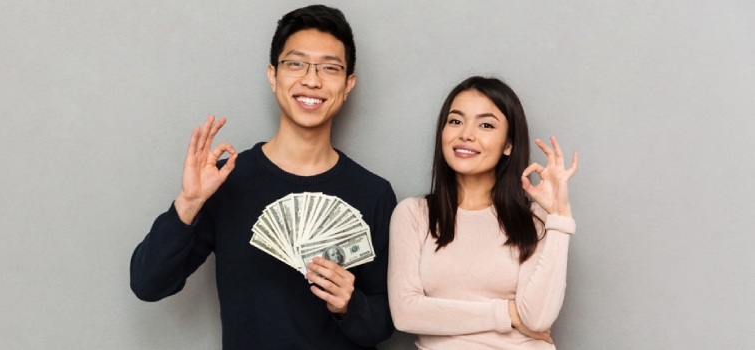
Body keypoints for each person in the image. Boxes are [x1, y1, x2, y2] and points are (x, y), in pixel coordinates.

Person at [130, 5, 396, 349]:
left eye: (330, 68)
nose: (312, 80)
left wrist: (350, 305)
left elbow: (385, 325)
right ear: (273, 76)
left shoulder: (373, 194)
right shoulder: (229, 182)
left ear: (348, 85)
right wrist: (188, 204)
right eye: (296, 63)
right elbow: (147, 284)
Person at [387, 76, 578, 349]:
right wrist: (509, 314)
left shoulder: (534, 219)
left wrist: (559, 217)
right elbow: (406, 313)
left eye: (486, 125)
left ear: (508, 145)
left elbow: (537, 319)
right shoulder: (414, 214)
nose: (466, 134)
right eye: (455, 121)